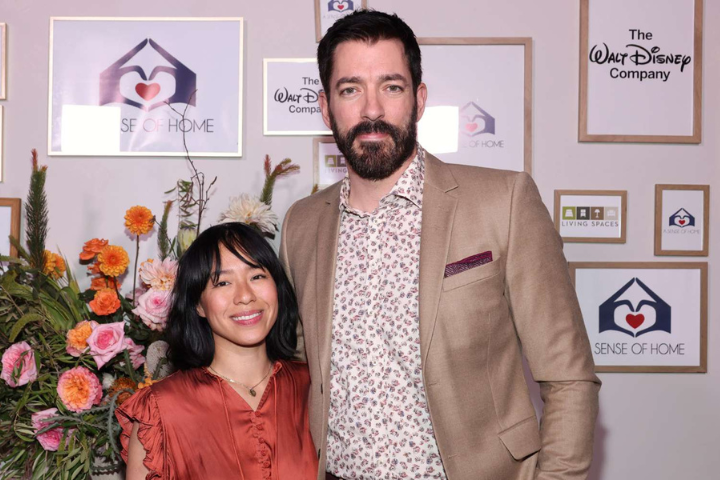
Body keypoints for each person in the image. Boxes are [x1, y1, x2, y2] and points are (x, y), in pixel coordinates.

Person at [280, 10, 601, 480]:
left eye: (391, 87)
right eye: (350, 90)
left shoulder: (503, 201)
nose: (372, 109)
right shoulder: (301, 224)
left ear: (419, 99)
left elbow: (569, 377)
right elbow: (295, 373)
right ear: (326, 108)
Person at [117, 222, 318, 479]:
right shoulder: (161, 410)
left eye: (256, 276)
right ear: (198, 305)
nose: (245, 296)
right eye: (222, 283)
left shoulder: (313, 388)